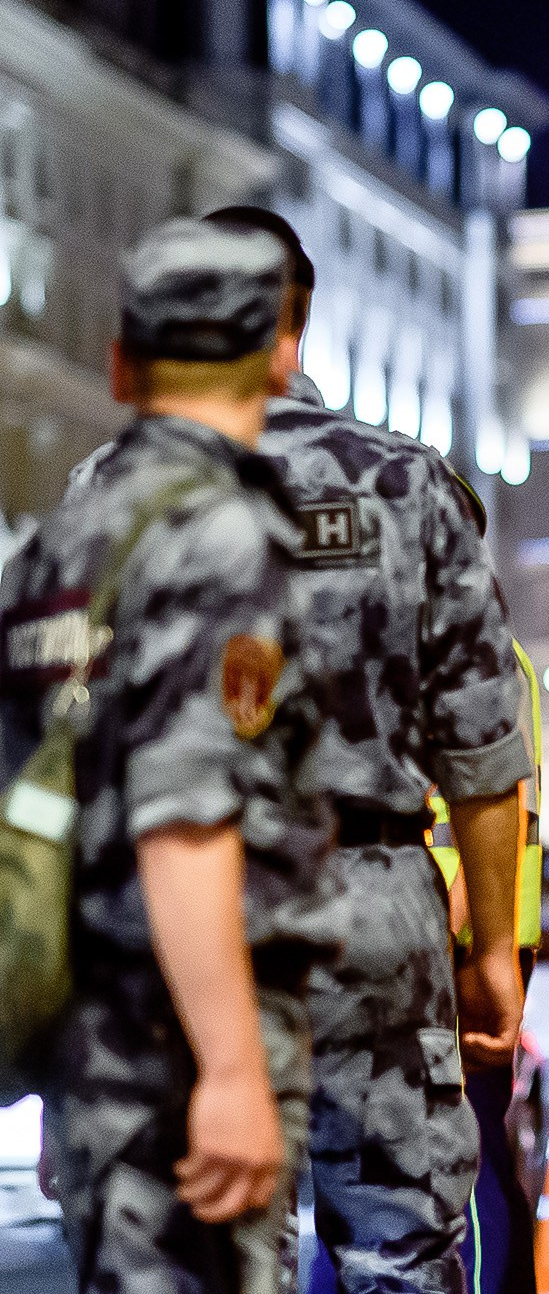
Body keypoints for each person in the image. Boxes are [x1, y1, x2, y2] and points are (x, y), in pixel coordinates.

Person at [0, 218, 338, 1293]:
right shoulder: (220, 533)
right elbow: (183, 811)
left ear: (120, 365)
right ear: (278, 355)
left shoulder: (53, 545)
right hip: (182, 1029)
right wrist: (233, 1064)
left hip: (81, 1033)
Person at [207, 206, 533, 1294]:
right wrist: (491, 951)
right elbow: (484, 747)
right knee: (400, 1245)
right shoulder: (407, 486)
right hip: (372, 906)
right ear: (298, 323)